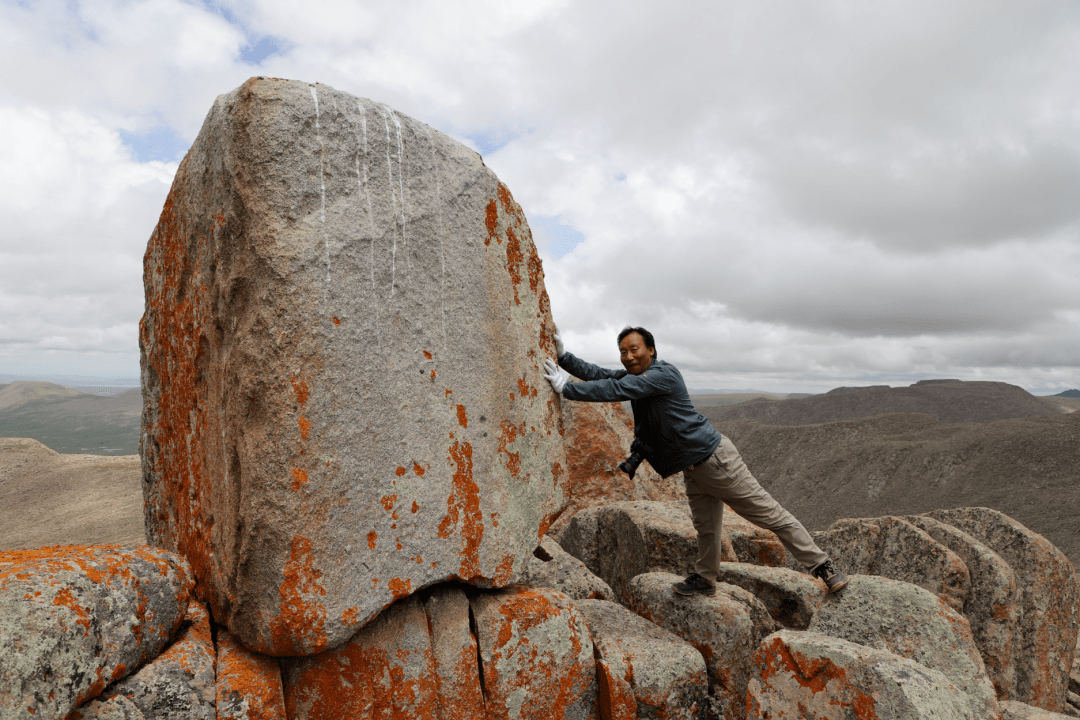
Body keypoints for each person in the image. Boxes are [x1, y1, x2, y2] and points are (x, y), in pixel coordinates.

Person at [543, 326, 848, 595]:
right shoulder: (641, 377)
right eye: (622, 351)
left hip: (717, 462)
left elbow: (618, 388)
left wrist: (567, 389)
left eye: (634, 349)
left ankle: (824, 568)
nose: (628, 356)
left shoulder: (663, 375)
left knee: (770, 516)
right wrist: (565, 358)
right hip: (693, 469)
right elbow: (604, 375)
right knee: (706, 528)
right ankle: (705, 578)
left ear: (651, 349)